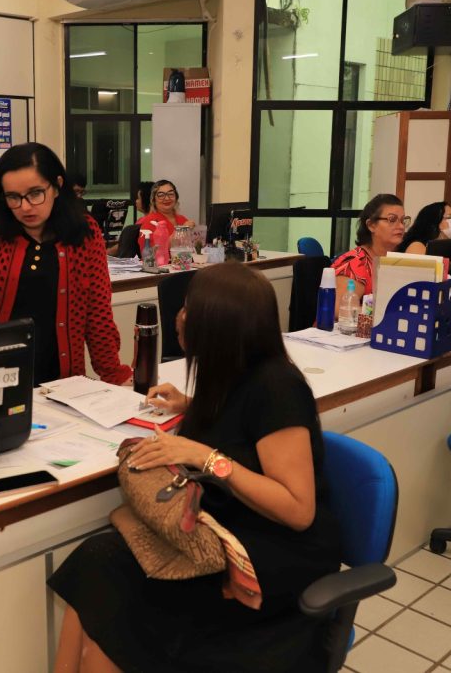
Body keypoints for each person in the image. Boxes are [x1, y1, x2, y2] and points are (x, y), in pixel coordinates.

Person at [49, 262, 342, 672]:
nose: (180, 317)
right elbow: (242, 427)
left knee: (116, 608)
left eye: (189, 308)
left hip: (271, 554)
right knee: (97, 563)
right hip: (224, 527)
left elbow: (297, 509)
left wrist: (204, 456)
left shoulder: (278, 387)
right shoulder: (230, 371)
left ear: (220, 324)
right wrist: (190, 406)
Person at [0, 142, 131, 386]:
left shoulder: (84, 232)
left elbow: (97, 312)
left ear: (57, 186)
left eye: (35, 193)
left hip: (59, 378)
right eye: (13, 197)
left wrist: (114, 374)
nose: (25, 207)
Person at [331, 193, 407, 317]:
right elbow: (339, 309)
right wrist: (385, 313)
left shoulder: (396, 260)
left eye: (403, 220)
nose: (401, 226)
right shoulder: (355, 262)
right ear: (371, 225)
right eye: (392, 220)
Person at [136, 179, 196, 252]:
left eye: (171, 194)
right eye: (161, 195)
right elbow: (148, 253)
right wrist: (181, 231)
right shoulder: (150, 221)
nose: (167, 198)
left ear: (176, 197)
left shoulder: (182, 219)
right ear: (153, 200)